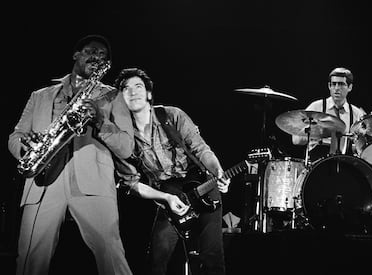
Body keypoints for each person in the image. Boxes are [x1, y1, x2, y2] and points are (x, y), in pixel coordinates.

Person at [8, 34, 133, 275]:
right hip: (43, 180)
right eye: (90, 51)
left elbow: (127, 147)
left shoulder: (112, 96)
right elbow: (16, 136)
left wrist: (99, 120)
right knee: (30, 260)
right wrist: (26, 147)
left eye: (102, 56)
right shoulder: (40, 95)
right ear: (76, 55)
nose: (96, 57)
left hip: (93, 181)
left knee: (112, 256)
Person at [109, 67, 230, 275]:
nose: (133, 92)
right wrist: (166, 198)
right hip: (169, 198)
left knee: (211, 258)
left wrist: (217, 170)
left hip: (202, 189)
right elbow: (132, 184)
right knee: (157, 262)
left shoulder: (171, 115)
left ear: (148, 94)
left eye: (138, 86)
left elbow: (201, 149)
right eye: (125, 89)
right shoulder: (122, 138)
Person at [292, 67, 367, 162]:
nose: (336, 88)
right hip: (317, 162)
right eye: (333, 84)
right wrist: (316, 131)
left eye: (341, 84)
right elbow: (296, 140)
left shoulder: (357, 114)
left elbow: (361, 148)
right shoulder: (316, 108)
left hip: (345, 164)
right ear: (329, 86)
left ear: (350, 87)